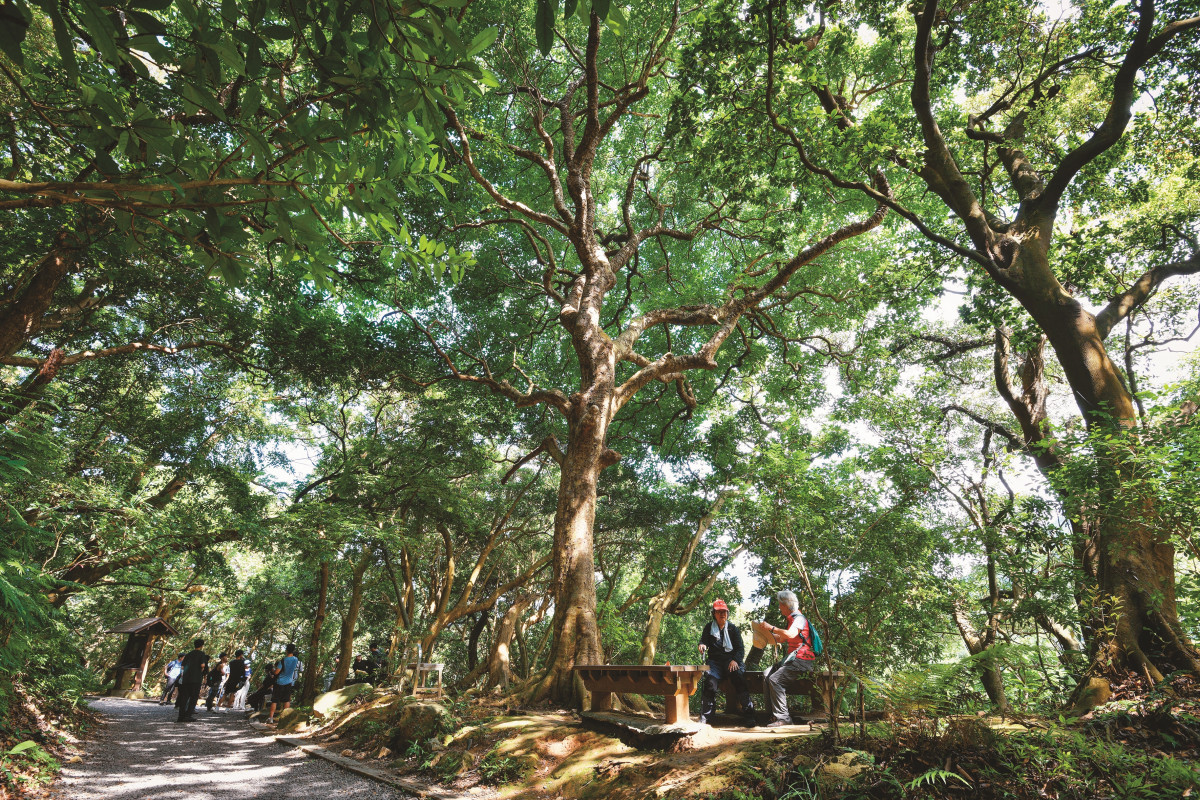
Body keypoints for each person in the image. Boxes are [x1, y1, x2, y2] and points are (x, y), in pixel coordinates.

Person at [749, 590, 818, 728]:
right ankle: (773, 715)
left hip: (802, 661)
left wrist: (772, 627)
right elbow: (781, 638)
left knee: (775, 679)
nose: (779, 608)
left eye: (780, 605)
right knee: (767, 673)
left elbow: (790, 634)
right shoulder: (792, 619)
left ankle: (784, 718)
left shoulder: (799, 618)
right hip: (792, 660)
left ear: (786, 605)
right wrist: (763, 635)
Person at [697, 599, 755, 725]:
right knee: (710, 683)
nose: (722, 614)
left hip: (731, 661)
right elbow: (703, 641)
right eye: (719, 612)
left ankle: (749, 714)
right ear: (714, 614)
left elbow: (740, 648)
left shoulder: (733, 629)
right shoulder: (709, 628)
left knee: (738, 678)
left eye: (724, 612)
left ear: (728, 613)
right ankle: (706, 717)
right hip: (714, 663)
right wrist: (702, 645)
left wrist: (735, 660)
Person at [176, 638, 210, 723]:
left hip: (186, 679)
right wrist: (200, 671)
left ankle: (181, 716)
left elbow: (182, 667)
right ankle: (188, 716)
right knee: (193, 698)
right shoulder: (201, 654)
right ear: (202, 645)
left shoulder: (188, 654)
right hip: (196, 679)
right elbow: (202, 665)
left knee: (184, 697)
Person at [267, 643, 301, 725]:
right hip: (289, 682)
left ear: (286, 650)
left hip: (279, 682)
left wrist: (273, 671)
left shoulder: (283, 660)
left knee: (274, 700)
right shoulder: (296, 659)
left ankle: (271, 718)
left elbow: (277, 672)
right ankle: (284, 718)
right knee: (287, 700)